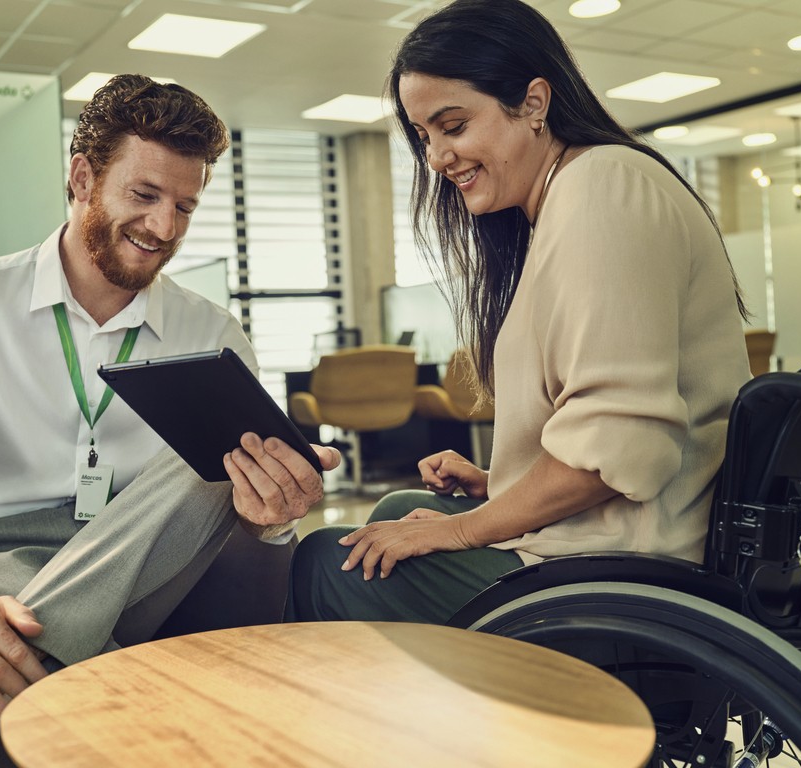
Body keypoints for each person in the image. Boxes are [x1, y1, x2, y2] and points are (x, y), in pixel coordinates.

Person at [0, 74, 340, 768]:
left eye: (185, 207)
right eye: (144, 195)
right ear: (81, 177)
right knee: (53, 657)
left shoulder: (212, 330)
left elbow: (246, 520)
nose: (164, 228)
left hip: (147, 571)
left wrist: (273, 509)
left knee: (221, 453)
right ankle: (85, 668)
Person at [286, 0, 751, 624]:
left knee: (326, 561)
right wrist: (495, 480)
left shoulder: (603, 188)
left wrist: (463, 531)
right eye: (425, 137)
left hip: (634, 566)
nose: (436, 158)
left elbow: (619, 447)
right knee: (395, 513)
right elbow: (601, 428)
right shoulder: (562, 202)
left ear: (533, 103)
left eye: (453, 126)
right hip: (611, 540)